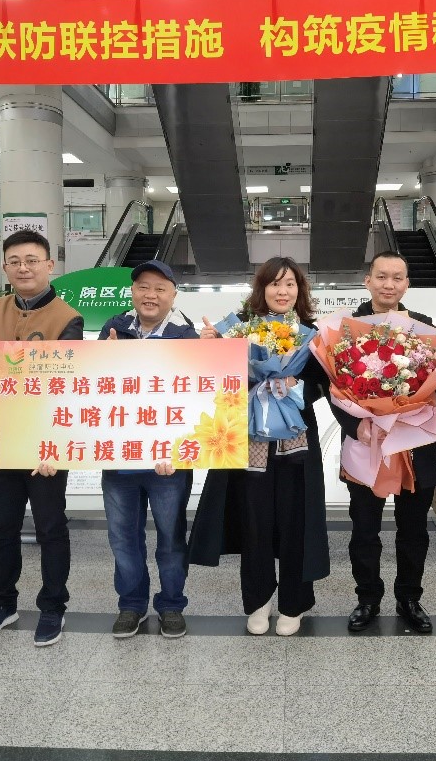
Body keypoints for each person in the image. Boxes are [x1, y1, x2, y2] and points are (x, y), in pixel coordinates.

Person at [190, 257, 330, 637]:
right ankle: (257, 600)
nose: (282, 291)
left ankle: (293, 603)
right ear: (261, 288)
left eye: (290, 284)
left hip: (296, 442)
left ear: (299, 290)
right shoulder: (238, 329)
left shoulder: (313, 334)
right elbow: (213, 379)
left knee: (296, 520)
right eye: (274, 284)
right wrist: (211, 350)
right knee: (254, 521)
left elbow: (325, 384)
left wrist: (294, 387)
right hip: (249, 440)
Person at [330, 251, 436, 634]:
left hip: (414, 445)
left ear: (406, 284)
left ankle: (409, 598)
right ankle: (367, 598)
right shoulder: (346, 329)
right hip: (366, 442)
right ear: (367, 281)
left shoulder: (422, 328)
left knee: (413, 530)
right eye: (381, 276)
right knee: (364, 529)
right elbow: (333, 389)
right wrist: (356, 426)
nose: (389, 284)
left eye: (397, 277)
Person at [0, 230, 84, 647]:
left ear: (49, 265)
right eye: (15, 261)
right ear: (5, 268)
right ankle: (3, 603)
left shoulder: (67, 318)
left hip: (45, 446)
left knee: (51, 526)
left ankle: (53, 605)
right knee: (1, 525)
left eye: (32, 260)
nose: (24, 268)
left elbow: (67, 387)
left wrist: (52, 443)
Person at [97, 259, 198, 639]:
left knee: (171, 538)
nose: (150, 295)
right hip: (119, 458)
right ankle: (131, 605)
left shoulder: (187, 337)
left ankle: (171, 605)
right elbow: (92, 391)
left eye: (159, 288)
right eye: (143, 286)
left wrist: (181, 451)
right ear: (132, 291)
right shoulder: (114, 329)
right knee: (123, 538)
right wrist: (102, 362)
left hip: (167, 463)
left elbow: (198, 402)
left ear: (173, 294)